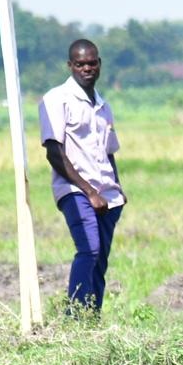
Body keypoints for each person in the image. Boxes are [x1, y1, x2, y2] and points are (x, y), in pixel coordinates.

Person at [37, 39, 127, 314]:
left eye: (92, 63)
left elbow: (108, 153)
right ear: (70, 66)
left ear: (99, 64)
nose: (87, 68)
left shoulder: (103, 106)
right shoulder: (56, 100)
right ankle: (74, 316)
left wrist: (117, 190)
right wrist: (89, 192)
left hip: (107, 196)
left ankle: (92, 320)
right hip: (75, 191)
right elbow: (54, 152)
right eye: (80, 64)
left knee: (100, 260)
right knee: (88, 249)